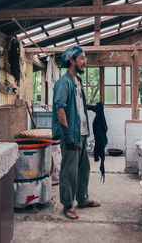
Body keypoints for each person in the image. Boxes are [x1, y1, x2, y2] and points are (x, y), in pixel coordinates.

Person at [52, 46, 101, 219]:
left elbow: (76, 107)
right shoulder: (63, 82)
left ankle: (82, 199)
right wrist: (67, 135)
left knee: (83, 169)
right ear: (71, 60)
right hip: (71, 134)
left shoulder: (77, 81)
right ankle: (67, 204)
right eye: (81, 58)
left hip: (81, 132)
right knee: (69, 171)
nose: (84, 62)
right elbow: (61, 110)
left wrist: (93, 108)